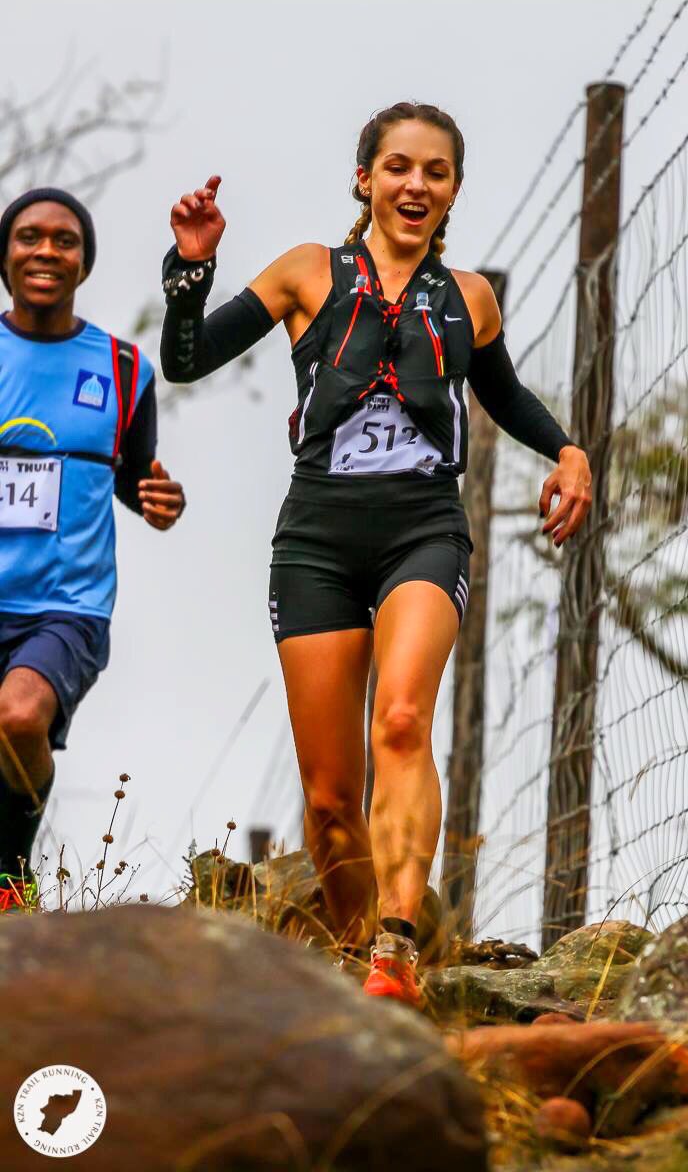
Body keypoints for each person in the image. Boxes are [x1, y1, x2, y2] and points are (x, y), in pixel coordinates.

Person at [160, 102, 592, 1005]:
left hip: (422, 529)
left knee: (400, 721)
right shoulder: (306, 272)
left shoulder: (469, 298)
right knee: (329, 800)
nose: (415, 184)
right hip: (316, 539)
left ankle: (396, 946)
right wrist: (191, 270)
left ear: (454, 191)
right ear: (365, 179)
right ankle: (358, 952)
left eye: (436, 172)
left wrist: (567, 450)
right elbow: (187, 359)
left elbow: (504, 394)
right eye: (398, 167)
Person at [0, 188, 186, 912]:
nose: (46, 250)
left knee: (19, 718)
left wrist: (158, 500)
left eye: (65, 240)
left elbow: (135, 478)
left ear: (85, 261)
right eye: (29, 237)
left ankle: (10, 875)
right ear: (5, 256)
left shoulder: (122, 367)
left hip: (65, 606)